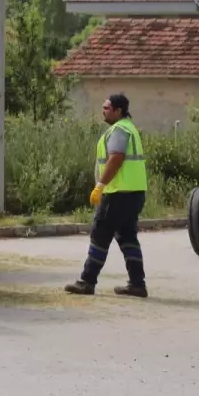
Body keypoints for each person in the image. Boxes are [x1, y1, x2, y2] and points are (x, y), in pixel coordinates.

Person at [65, 94, 149, 298]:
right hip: (135, 193)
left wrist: (100, 185)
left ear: (118, 111)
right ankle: (137, 284)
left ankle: (87, 281)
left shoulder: (119, 130)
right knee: (127, 237)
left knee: (100, 234)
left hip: (118, 194)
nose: (103, 111)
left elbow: (116, 158)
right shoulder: (130, 128)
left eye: (107, 108)